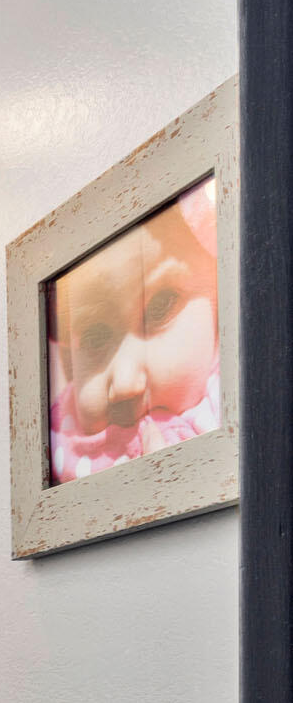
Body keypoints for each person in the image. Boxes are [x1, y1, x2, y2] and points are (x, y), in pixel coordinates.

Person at [48, 178, 223, 481]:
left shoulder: (244, 399)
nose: (126, 383)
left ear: (220, 304)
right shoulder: (58, 443)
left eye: (160, 307)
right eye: (95, 336)